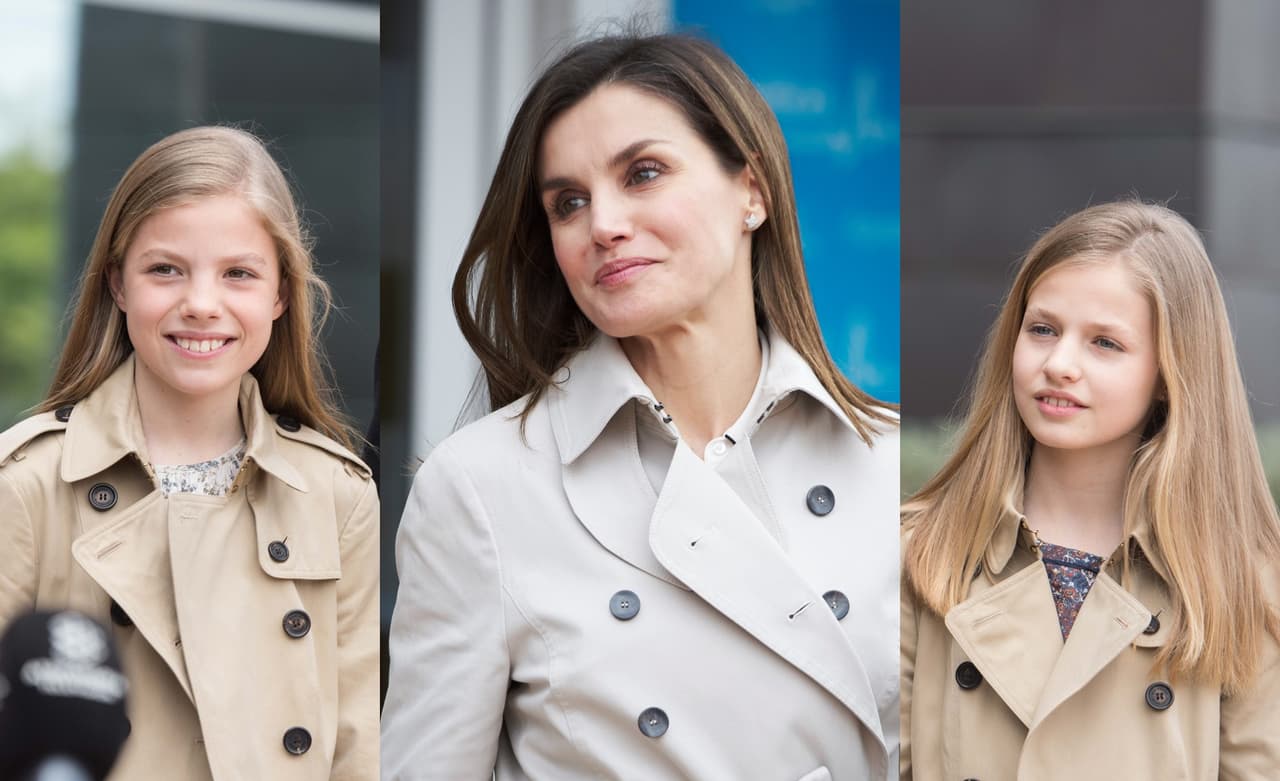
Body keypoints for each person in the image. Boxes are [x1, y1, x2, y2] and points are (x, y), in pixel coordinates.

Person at [381, 31, 900, 780]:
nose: (603, 225)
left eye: (644, 173)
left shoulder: (884, 463)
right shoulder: (482, 488)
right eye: (568, 203)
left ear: (752, 191)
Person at [0, 126, 380, 780]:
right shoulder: (26, 482)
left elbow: (356, 749)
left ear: (281, 294)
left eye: (239, 274)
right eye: (165, 269)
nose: (201, 304)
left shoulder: (338, 494)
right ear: (118, 284)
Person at [900, 201, 1280, 779]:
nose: (1060, 363)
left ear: (1170, 373)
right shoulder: (924, 551)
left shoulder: (1243, 579)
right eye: (1042, 329)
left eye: (1105, 343)